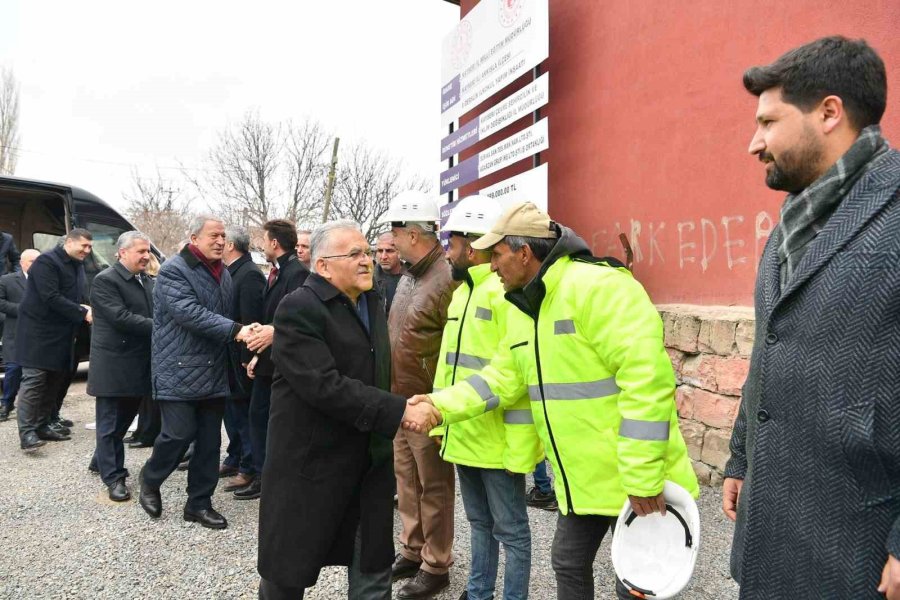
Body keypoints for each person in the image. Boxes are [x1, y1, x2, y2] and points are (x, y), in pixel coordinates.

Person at [405, 202, 699, 600]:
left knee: (636, 582)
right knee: (567, 562)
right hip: (581, 482)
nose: (490, 267)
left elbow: (647, 382)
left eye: (497, 255)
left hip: (637, 480)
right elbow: (502, 377)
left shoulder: (600, 287)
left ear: (524, 253)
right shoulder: (525, 308)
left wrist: (643, 476)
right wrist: (440, 406)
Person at [721, 36, 900, 600]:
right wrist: (742, 454)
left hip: (856, 546)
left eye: (768, 122)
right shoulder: (788, 230)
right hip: (771, 525)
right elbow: (769, 351)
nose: (754, 143)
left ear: (829, 112)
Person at [256, 220, 440, 599]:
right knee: (287, 572)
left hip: (367, 461)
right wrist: (400, 410)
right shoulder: (298, 308)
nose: (367, 261)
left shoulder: (372, 300)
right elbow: (325, 386)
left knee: (372, 568)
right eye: (354, 254)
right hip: (311, 465)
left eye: (367, 252)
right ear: (323, 265)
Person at [432, 195, 542, 600]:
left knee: (511, 532)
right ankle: (479, 594)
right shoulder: (461, 293)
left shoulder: (504, 293)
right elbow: (449, 368)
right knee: (478, 524)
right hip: (464, 433)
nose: (447, 251)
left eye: (451, 241)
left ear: (471, 244)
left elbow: (509, 375)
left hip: (498, 440)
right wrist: (442, 420)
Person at [138, 215, 255, 529]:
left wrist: (247, 344)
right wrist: (238, 331)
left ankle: (198, 504)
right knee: (177, 434)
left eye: (223, 237)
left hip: (213, 371)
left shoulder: (222, 272)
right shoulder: (174, 270)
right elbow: (189, 313)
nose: (220, 241)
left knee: (208, 443)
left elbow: (224, 314)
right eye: (213, 236)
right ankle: (150, 479)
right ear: (194, 238)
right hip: (178, 369)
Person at [381, 190, 457, 599]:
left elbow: (453, 347)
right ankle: (413, 549)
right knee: (407, 482)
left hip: (428, 405)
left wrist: (441, 405)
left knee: (435, 486)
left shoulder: (446, 278)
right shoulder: (409, 275)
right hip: (398, 401)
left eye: (394, 232)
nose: (390, 242)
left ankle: (437, 562)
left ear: (412, 233)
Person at [240, 219, 309, 500]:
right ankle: (262, 475)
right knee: (258, 418)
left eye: (264, 239)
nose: (261, 244)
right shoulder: (279, 272)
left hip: (286, 365)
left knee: (269, 423)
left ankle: (267, 479)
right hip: (271, 361)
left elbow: (299, 321)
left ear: (274, 243)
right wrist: (259, 356)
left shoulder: (297, 275)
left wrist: (272, 340)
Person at [86, 231, 154, 502]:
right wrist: (164, 328)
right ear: (122, 252)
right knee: (111, 425)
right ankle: (114, 477)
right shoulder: (106, 281)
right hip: (114, 367)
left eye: (147, 251)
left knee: (120, 422)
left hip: (138, 365)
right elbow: (121, 318)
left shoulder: (146, 281)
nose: (146, 256)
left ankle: (100, 460)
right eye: (140, 251)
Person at [15, 230, 93, 450]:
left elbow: (77, 294)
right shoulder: (47, 263)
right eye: (84, 246)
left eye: (89, 247)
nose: (87, 251)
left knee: (54, 381)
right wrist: (81, 312)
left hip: (61, 334)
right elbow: (50, 297)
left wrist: (86, 306)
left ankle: (43, 424)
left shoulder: (76, 264)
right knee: (35, 381)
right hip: (37, 334)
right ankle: (27, 433)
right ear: (68, 242)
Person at [220, 225, 265, 494]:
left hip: (241, 359)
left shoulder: (248, 275)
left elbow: (251, 319)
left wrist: (249, 357)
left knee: (244, 414)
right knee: (232, 414)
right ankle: (235, 458)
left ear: (230, 245)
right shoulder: (232, 272)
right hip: (228, 355)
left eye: (221, 239)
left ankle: (249, 468)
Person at [0, 249, 39, 422]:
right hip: (15, 333)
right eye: (32, 262)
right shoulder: (7, 280)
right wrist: (22, 310)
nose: (35, 265)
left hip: (39, 335)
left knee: (42, 374)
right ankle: (6, 404)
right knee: (14, 370)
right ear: (22, 262)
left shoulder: (46, 280)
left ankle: (48, 413)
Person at [372, 231, 405, 317]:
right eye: (379, 251)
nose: (383, 257)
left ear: (400, 252)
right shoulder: (369, 281)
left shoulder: (413, 279)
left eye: (389, 251)